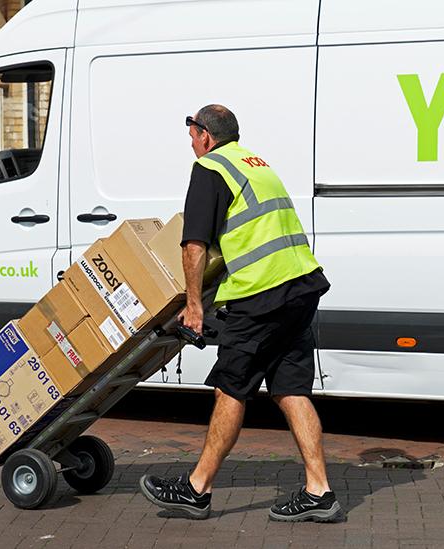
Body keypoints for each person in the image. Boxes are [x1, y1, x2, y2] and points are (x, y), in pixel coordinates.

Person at [139, 104, 344, 523]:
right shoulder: (256, 164)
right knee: (291, 389)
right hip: (301, 285)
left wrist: (194, 307)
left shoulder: (210, 169)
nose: (192, 145)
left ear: (206, 137)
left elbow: (193, 244)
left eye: (193, 136)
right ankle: (319, 491)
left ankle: (197, 489)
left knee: (230, 388)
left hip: (262, 295)